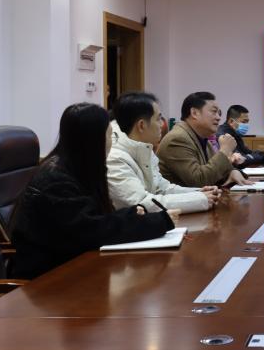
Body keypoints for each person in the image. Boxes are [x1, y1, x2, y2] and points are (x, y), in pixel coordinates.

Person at [9, 103, 178, 279]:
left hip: (74, 267)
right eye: (110, 135)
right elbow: (93, 231)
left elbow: (94, 219)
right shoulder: (55, 181)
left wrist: (131, 214)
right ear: (93, 140)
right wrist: (157, 222)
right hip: (47, 279)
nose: (113, 141)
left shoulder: (78, 167)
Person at [108, 91, 222, 213]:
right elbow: (141, 202)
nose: (162, 124)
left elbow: (162, 188)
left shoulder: (143, 148)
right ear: (141, 125)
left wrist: (199, 192)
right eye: (158, 119)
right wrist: (201, 199)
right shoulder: (115, 158)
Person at [158, 91, 247, 187]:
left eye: (219, 113)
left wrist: (232, 172)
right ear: (194, 113)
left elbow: (215, 170)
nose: (218, 118)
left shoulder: (203, 139)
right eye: (214, 112)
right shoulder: (177, 139)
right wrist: (225, 150)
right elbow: (199, 181)